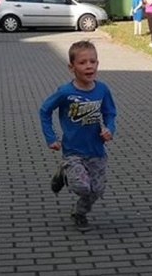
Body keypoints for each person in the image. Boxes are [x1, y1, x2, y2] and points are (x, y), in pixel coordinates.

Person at [40, 40, 117, 231]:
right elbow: (44, 110)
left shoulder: (102, 90)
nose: (89, 66)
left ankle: (79, 213)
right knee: (83, 186)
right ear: (71, 67)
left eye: (93, 61)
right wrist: (51, 138)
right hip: (73, 151)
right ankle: (65, 172)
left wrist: (109, 129)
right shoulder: (65, 92)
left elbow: (110, 113)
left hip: (96, 150)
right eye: (83, 62)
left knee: (96, 190)